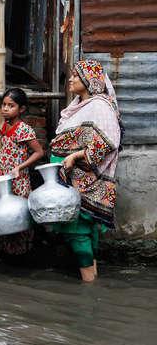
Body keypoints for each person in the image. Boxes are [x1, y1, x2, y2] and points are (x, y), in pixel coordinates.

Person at [50, 59, 122, 282]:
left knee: (78, 232)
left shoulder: (99, 106)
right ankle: (92, 281)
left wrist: (74, 156)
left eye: (76, 75)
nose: (70, 79)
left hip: (86, 184)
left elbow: (108, 142)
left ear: (89, 80)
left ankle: (88, 286)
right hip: (74, 182)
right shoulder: (80, 105)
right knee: (86, 231)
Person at [0, 88, 44, 256]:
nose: (5, 109)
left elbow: (39, 152)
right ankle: (7, 249)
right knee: (4, 212)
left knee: (19, 213)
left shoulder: (24, 129)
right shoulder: (4, 126)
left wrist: (20, 167)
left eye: (11, 106)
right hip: (3, 176)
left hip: (18, 178)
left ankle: (22, 252)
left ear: (21, 109)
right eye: (4, 105)